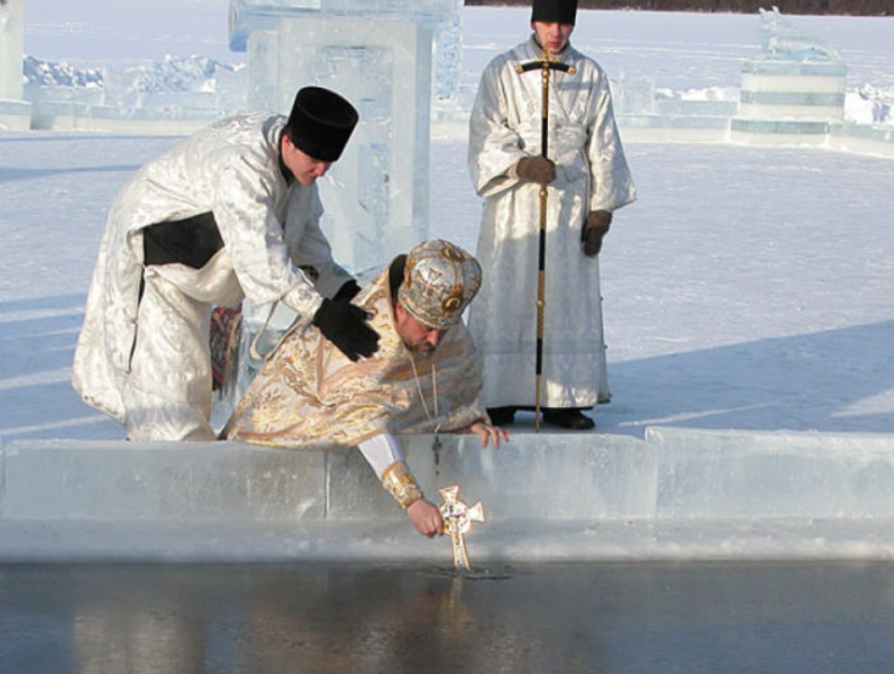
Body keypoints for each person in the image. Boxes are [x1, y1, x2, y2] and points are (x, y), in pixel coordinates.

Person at [72, 86, 379, 442]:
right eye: (315, 160)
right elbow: (259, 253)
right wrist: (320, 312)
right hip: (158, 263)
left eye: (329, 163)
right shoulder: (243, 167)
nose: (322, 171)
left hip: (198, 272)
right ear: (290, 143)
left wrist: (345, 293)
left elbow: (304, 245)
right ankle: (160, 484)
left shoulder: (300, 171)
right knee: (169, 404)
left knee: (193, 388)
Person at [221, 239, 508, 538]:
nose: (436, 340)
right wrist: (412, 500)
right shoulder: (362, 339)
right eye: (427, 328)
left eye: (443, 329)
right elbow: (364, 421)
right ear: (400, 310)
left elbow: (458, 374)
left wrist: (464, 419)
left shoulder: (439, 323)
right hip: (287, 441)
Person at [467, 0, 636, 430]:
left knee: (565, 297)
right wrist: (519, 164)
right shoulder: (503, 70)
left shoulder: (591, 74)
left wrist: (601, 210)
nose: (555, 32)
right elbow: (484, 131)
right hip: (515, 203)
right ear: (533, 21)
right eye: (547, 21)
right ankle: (500, 393)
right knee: (511, 291)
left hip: (567, 203)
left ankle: (564, 399)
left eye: (563, 23)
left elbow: (605, 145)